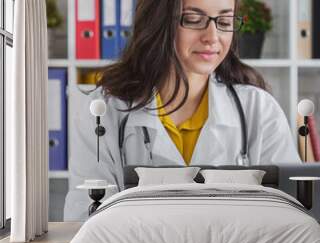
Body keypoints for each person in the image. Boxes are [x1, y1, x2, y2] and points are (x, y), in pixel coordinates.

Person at [64, 0, 301, 221]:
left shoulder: (259, 110)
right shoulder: (102, 112)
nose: (212, 37)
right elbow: (83, 219)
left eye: (225, 22)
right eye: (193, 20)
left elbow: (292, 214)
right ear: (158, 22)